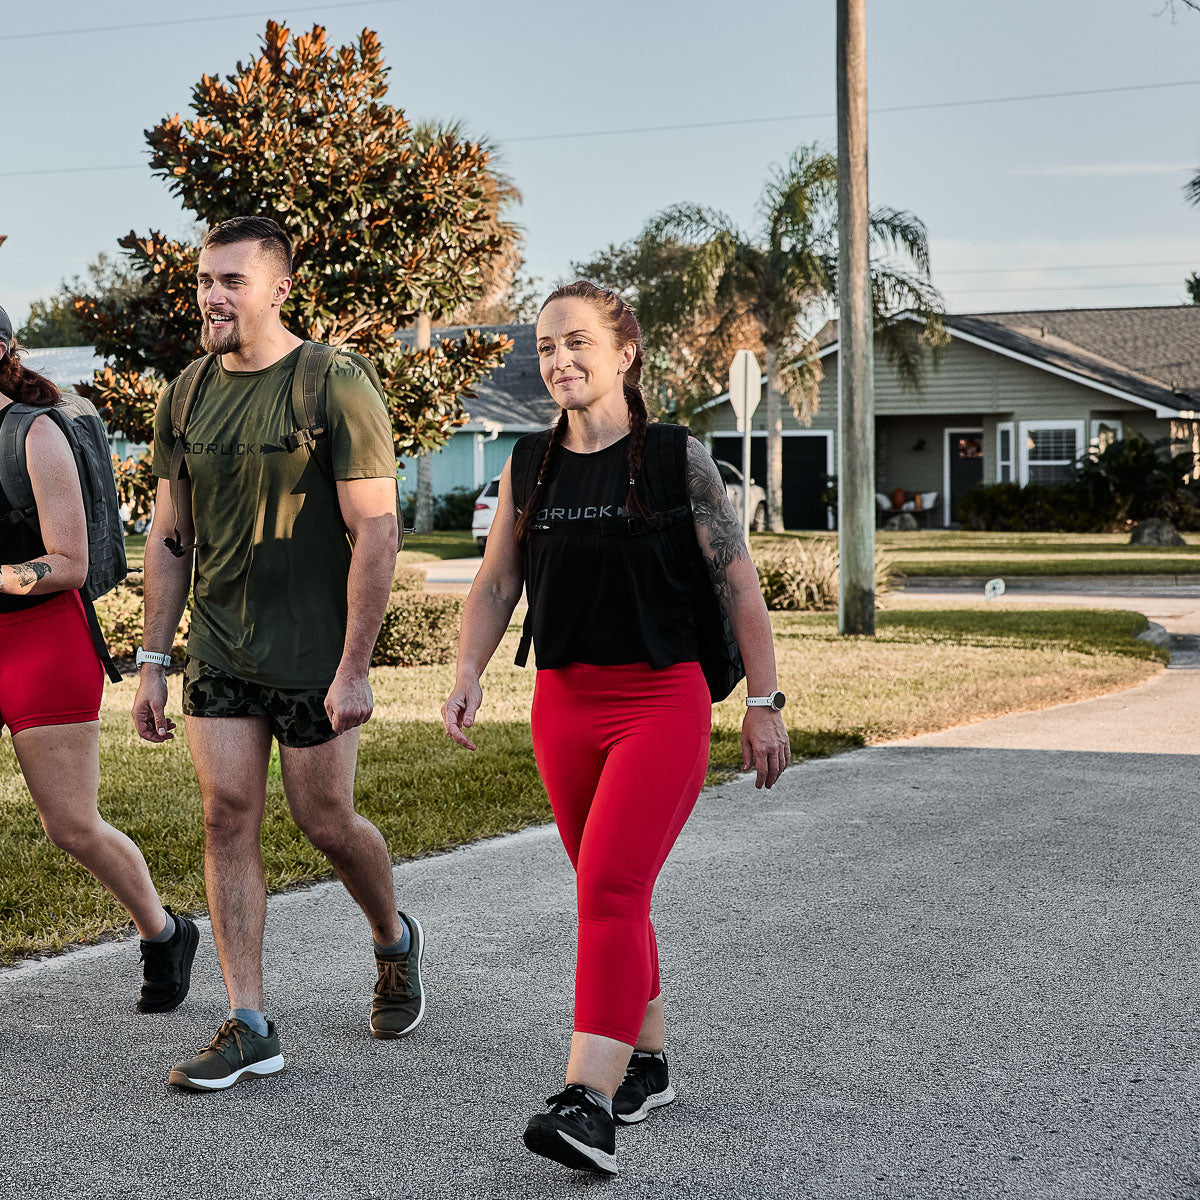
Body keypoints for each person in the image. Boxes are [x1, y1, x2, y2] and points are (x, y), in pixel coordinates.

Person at [441, 281, 790, 1176]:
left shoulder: (679, 459)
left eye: (577, 342)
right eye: (546, 347)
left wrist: (762, 700)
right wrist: (468, 671)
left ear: (626, 351)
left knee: (607, 887)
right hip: (563, 703)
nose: (559, 359)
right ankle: (650, 1062)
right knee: (614, 891)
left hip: (661, 699)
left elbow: (737, 585)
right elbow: (494, 585)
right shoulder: (530, 465)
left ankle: (584, 1101)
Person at [132, 216, 423, 1092]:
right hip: (220, 649)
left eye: (232, 281)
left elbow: (377, 528)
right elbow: (169, 534)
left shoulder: (331, 382)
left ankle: (393, 939)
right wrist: (153, 658)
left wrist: (355, 666)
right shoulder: (184, 393)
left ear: (279, 288)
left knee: (325, 819)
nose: (213, 297)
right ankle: (249, 1019)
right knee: (226, 814)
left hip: (314, 652)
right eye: (204, 281)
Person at [0, 305, 198, 1012]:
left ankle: (163, 930)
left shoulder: (34, 433)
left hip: (43, 640)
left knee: (70, 826)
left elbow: (69, 563)